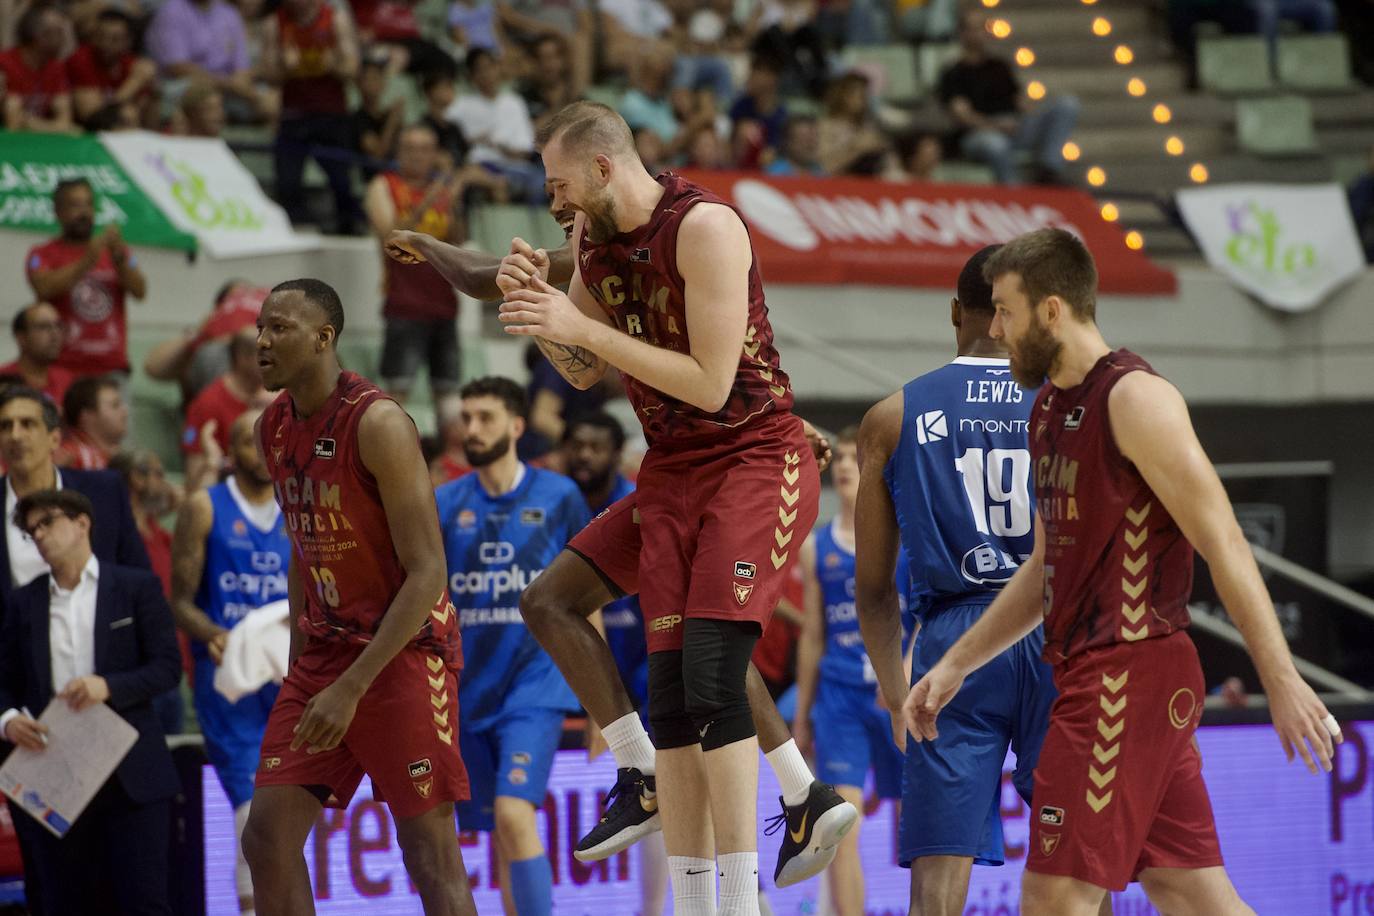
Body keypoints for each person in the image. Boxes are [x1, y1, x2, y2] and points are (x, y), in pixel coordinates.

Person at [387, 194, 855, 892]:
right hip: (677, 474)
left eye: (564, 200)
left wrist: (789, 427)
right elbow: (492, 276)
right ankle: (706, 785)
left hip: (738, 460)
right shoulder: (590, 254)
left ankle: (753, 863)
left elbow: (724, 374)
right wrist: (431, 250)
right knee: (559, 607)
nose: (559, 216)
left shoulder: (685, 236)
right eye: (552, 209)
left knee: (707, 659)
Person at [905, 228, 1341, 915]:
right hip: (1102, 676)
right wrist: (958, 663)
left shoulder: (1135, 399)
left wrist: (1280, 679)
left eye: (1007, 310)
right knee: (1191, 892)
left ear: (1052, 310)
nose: (996, 328)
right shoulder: (1046, 409)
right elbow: (1046, 569)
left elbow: (1224, 540)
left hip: (1126, 673)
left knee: (1052, 897)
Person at [496, 100, 835, 916]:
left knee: (713, 675)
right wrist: (542, 315)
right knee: (671, 689)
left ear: (604, 167)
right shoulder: (589, 240)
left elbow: (711, 385)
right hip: (674, 471)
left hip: (752, 457)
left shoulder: (706, 228)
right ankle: (692, 888)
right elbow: (581, 368)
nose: (554, 203)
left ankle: (747, 893)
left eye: (560, 184)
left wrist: (580, 323)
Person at [242, 278, 475, 916]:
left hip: (401, 655)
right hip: (324, 655)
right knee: (266, 839)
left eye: (279, 328)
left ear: (325, 338)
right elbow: (303, 547)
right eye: (260, 327)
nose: (262, 340)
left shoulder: (378, 423)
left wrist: (351, 687)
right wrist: (302, 666)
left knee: (430, 855)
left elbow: (429, 573)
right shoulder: (273, 425)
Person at [855, 246, 1064, 916]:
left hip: (953, 643)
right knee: (1079, 868)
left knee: (937, 890)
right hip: (1057, 629)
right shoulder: (1068, 401)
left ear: (956, 311)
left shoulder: (891, 416)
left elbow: (874, 590)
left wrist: (895, 694)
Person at [435, 377, 587, 916]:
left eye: (486, 417)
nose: (471, 428)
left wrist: (600, 705)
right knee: (500, 831)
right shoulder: (444, 503)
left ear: (517, 426)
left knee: (515, 812)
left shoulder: (559, 496)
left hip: (535, 687)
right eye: (467, 417)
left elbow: (587, 598)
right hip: (465, 691)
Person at [0, 489, 181, 916]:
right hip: (57, 773)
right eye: (31, 530)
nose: (39, 535)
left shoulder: (135, 587)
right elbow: (4, 680)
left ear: (82, 523)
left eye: (48, 523)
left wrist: (109, 686)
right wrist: (7, 719)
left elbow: (168, 667)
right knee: (67, 901)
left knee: (144, 901)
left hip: (131, 772)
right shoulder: (23, 602)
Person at [171, 409, 288, 916]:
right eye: (248, 442)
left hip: (288, 676)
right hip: (227, 678)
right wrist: (213, 633)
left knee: (281, 817)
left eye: (269, 442)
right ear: (231, 453)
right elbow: (179, 601)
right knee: (250, 810)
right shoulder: (205, 507)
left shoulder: (301, 508)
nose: (260, 452)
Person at [793, 427, 911, 916]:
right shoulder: (815, 547)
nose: (843, 466)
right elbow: (813, 634)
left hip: (898, 696)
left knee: (919, 830)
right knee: (844, 825)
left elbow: (927, 614)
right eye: (838, 458)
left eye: (854, 459)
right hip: (840, 697)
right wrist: (801, 716)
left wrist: (905, 670)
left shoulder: (907, 539)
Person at [560, 410, 668, 915]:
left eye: (594, 447)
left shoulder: (636, 506)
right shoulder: (559, 503)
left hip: (651, 662)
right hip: (601, 666)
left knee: (664, 793)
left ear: (615, 452)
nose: (584, 456)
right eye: (575, 445)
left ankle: (736, 891)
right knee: (645, 797)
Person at [0, 386, 150, 597]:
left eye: (27, 424)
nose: (15, 435)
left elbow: (139, 578)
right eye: (5, 426)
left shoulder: (105, 492)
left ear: (54, 439)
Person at [364, 123, 466, 404]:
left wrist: (454, 200)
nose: (417, 155)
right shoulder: (383, 185)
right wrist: (433, 196)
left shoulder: (444, 190)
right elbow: (390, 236)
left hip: (444, 304)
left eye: (425, 149)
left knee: (448, 395)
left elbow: (459, 239)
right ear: (398, 152)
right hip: (403, 304)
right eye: (410, 148)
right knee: (396, 394)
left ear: (435, 154)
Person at [937, 9, 1079, 185]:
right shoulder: (953, 72)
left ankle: (1048, 170)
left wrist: (1028, 114)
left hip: (1012, 127)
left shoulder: (1000, 66)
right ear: (962, 33)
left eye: (982, 28)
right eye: (974, 28)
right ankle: (1013, 192)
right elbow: (962, 116)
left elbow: (1019, 101)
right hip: (978, 134)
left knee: (1066, 104)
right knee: (996, 144)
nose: (979, 34)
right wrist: (996, 126)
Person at [25, 178, 148, 380]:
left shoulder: (116, 251)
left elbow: (140, 291)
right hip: (62, 369)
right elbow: (44, 288)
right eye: (75, 205)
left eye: (89, 204)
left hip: (112, 369)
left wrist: (119, 260)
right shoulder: (42, 254)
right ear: (57, 212)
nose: (84, 213)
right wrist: (88, 260)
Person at [262, 0, 361, 234]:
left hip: (331, 113)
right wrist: (285, 67)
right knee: (287, 182)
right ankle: (294, 230)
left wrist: (332, 64)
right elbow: (268, 74)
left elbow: (353, 68)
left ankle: (347, 230)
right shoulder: (274, 24)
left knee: (341, 182)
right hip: (294, 114)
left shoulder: (335, 19)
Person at [446, 48, 545, 203]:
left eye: (489, 66)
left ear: (497, 68)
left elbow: (525, 150)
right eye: (479, 69)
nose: (486, 74)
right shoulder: (462, 105)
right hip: (482, 166)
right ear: (471, 76)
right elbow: (442, 129)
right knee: (482, 182)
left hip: (517, 168)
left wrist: (495, 145)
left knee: (542, 183)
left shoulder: (514, 103)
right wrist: (470, 141)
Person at [182, 328, 270, 493]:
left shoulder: (283, 398)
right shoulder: (207, 404)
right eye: (265, 356)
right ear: (242, 358)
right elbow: (194, 483)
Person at [145, 0, 265, 121]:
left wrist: (244, 87)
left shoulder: (229, 14)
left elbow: (241, 67)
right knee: (207, 96)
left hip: (229, 88)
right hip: (182, 83)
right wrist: (228, 84)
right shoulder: (172, 11)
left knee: (269, 98)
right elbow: (177, 67)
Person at [66, 8, 159, 130]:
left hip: (127, 132)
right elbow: (91, 118)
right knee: (126, 114)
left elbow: (146, 115)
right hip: (85, 135)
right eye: (101, 37)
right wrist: (134, 83)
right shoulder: (81, 60)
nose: (106, 44)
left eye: (115, 39)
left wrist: (156, 93)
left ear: (128, 42)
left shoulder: (132, 63)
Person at [0, 4, 75, 133]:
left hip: (42, 141)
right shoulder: (4, 63)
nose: (63, 39)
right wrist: (55, 127)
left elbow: (65, 120)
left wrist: (28, 120)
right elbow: (14, 122)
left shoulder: (56, 67)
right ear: (37, 35)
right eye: (58, 32)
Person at [0, 303, 75, 408]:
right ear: (21, 337)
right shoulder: (3, 379)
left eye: (58, 326)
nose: (55, 334)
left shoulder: (67, 380)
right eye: (43, 327)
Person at [56, 374, 128, 471]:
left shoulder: (122, 459)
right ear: (87, 416)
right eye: (115, 405)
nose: (125, 412)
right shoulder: (68, 458)